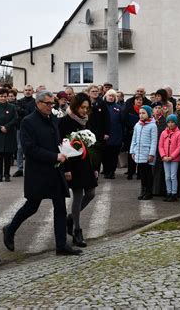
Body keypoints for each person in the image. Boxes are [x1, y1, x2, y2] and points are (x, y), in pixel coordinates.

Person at [3, 90, 82, 255]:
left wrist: (66, 154)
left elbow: (57, 141)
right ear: (38, 103)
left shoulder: (53, 118)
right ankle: (9, 230)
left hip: (56, 170)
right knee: (31, 207)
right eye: (47, 103)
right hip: (38, 172)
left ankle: (61, 245)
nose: (50, 106)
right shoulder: (28, 122)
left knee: (60, 207)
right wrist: (54, 156)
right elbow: (29, 149)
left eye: (52, 103)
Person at [59, 93, 98, 247]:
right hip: (72, 164)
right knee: (78, 196)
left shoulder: (86, 121)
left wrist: (95, 166)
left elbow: (90, 145)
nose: (84, 111)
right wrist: (66, 168)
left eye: (87, 108)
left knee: (91, 193)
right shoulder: (65, 121)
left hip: (85, 163)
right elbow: (62, 145)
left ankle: (70, 219)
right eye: (82, 107)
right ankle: (77, 231)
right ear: (75, 106)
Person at [0, 88, 18, 182]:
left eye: (5, 96)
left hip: (9, 133)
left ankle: (7, 174)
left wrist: (6, 126)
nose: (3, 98)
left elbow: (15, 119)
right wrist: (0, 127)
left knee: (8, 155)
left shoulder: (12, 107)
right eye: (1, 96)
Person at [130, 105, 158, 200]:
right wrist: (132, 151)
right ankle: (143, 190)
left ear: (149, 114)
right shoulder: (137, 125)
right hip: (139, 152)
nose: (141, 115)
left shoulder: (153, 126)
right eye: (140, 113)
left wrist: (151, 154)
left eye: (143, 113)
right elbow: (134, 139)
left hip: (147, 153)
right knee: (141, 174)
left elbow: (154, 141)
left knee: (148, 174)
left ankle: (148, 192)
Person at [158, 114, 180, 202]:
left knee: (173, 176)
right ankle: (168, 192)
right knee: (167, 177)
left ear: (175, 123)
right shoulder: (164, 133)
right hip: (165, 158)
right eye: (169, 122)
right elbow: (160, 146)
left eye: (172, 122)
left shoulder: (179, 133)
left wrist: (171, 157)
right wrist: (163, 156)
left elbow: (179, 147)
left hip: (174, 159)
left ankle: (174, 193)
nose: (170, 124)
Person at [86, 84, 111, 172]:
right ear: (88, 93)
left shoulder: (102, 103)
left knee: (97, 154)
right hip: (87, 133)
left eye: (96, 91)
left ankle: (96, 172)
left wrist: (107, 133)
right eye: (93, 91)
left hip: (99, 133)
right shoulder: (86, 103)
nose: (95, 93)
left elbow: (107, 119)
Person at [13, 85, 35, 177]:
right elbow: (18, 111)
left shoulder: (36, 102)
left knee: (33, 148)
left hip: (33, 128)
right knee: (20, 148)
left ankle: (32, 168)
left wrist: (25, 111)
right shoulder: (19, 101)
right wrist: (28, 112)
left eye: (29, 90)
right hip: (21, 127)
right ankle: (20, 169)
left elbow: (35, 112)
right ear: (23, 91)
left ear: (32, 91)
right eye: (26, 90)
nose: (28, 92)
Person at [103, 89, 124, 179]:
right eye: (109, 96)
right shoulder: (102, 107)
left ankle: (112, 172)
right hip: (105, 136)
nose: (111, 97)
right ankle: (106, 171)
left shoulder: (119, 108)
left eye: (113, 96)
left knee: (114, 155)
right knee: (105, 155)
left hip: (116, 135)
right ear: (106, 97)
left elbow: (122, 122)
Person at [123, 94, 143, 180]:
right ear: (134, 101)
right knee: (131, 153)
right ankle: (130, 172)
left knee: (140, 153)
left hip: (141, 134)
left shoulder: (144, 110)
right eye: (137, 99)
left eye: (140, 100)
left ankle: (139, 173)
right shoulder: (129, 109)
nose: (139, 101)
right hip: (130, 133)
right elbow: (125, 120)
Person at [151, 101, 167, 196]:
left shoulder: (164, 121)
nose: (157, 110)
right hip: (151, 149)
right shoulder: (150, 120)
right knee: (151, 169)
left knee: (159, 169)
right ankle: (151, 189)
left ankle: (159, 190)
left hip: (161, 149)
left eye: (159, 108)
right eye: (155, 108)